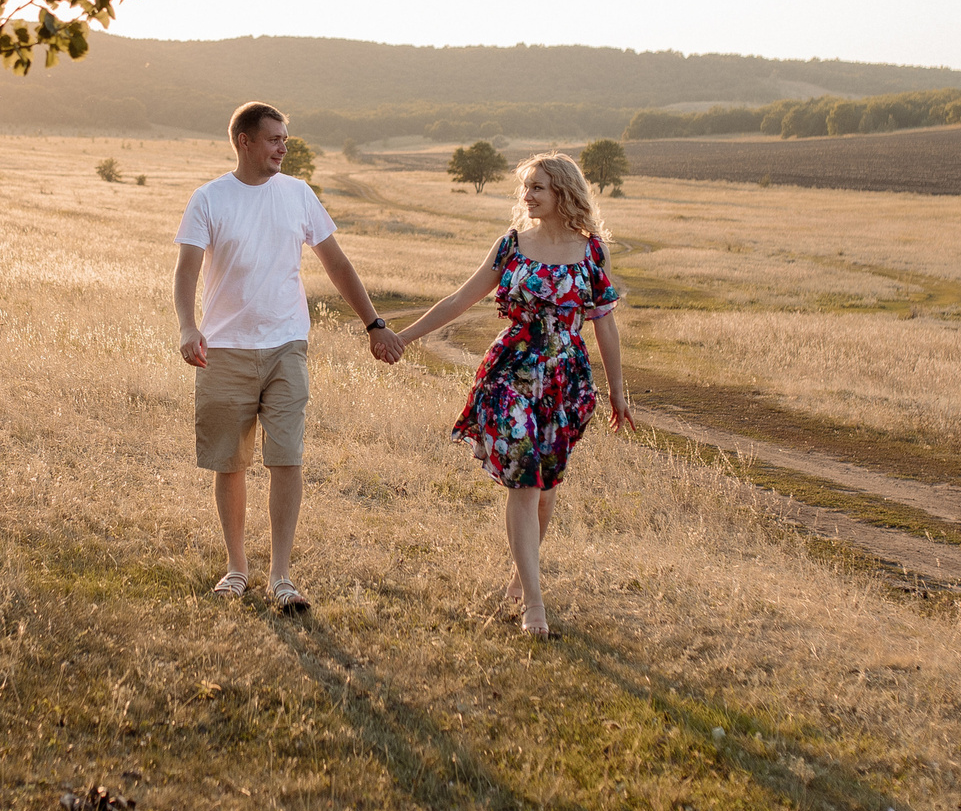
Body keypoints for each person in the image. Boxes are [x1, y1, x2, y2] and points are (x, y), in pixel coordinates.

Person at [390, 151, 634, 638]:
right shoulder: (511, 245)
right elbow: (460, 298)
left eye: (537, 187)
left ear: (563, 192)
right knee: (524, 483)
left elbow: (605, 325)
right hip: (512, 374)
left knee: (545, 490)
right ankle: (535, 607)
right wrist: (403, 336)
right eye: (525, 187)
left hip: (566, 380)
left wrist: (617, 393)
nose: (527, 196)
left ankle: (520, 582)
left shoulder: (591, 253)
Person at [176, 101, 403, 612]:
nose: (283, 147)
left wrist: (375, 324)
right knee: (229, 462)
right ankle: (237, 568)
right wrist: (189, 326)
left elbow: (338, 264)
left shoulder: (299, 194)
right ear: (245, 141)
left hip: (286, 346)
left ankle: (281, 576)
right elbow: (186, 270)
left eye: (286, 139)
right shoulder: (209, 198)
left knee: (287, 458)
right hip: (225, 349)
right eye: (274, 138)